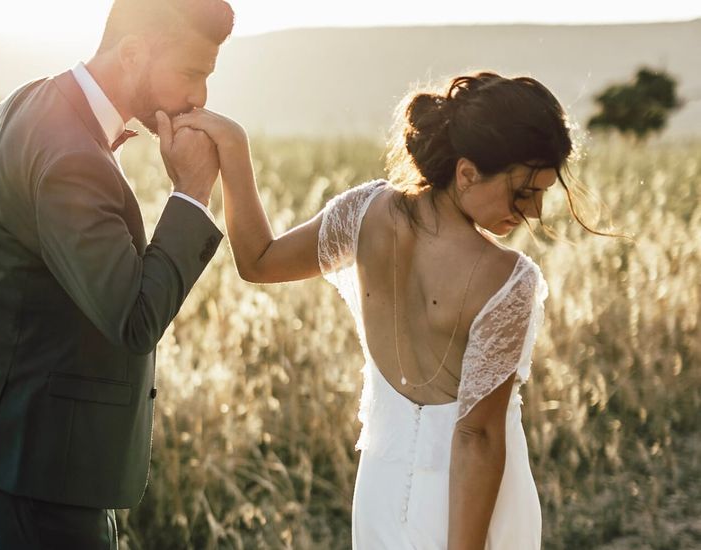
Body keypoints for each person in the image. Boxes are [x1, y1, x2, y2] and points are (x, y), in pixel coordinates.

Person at [173, 72, 601, 549]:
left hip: (380, 489)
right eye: (524, 193)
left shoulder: (362, 213)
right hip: (472, 513)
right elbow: (475, 439)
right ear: (466, 173)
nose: (536, 211)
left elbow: (257, 260)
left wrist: (234, 149)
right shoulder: (508, 281)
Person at [0, 0, 234, 547]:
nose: (200, 96)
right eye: (192, 73)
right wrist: (192, 194)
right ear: (134, 52)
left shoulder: (18, 104)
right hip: (40, 466)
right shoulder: (72, 154)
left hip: (1, 442)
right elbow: (134, 318)